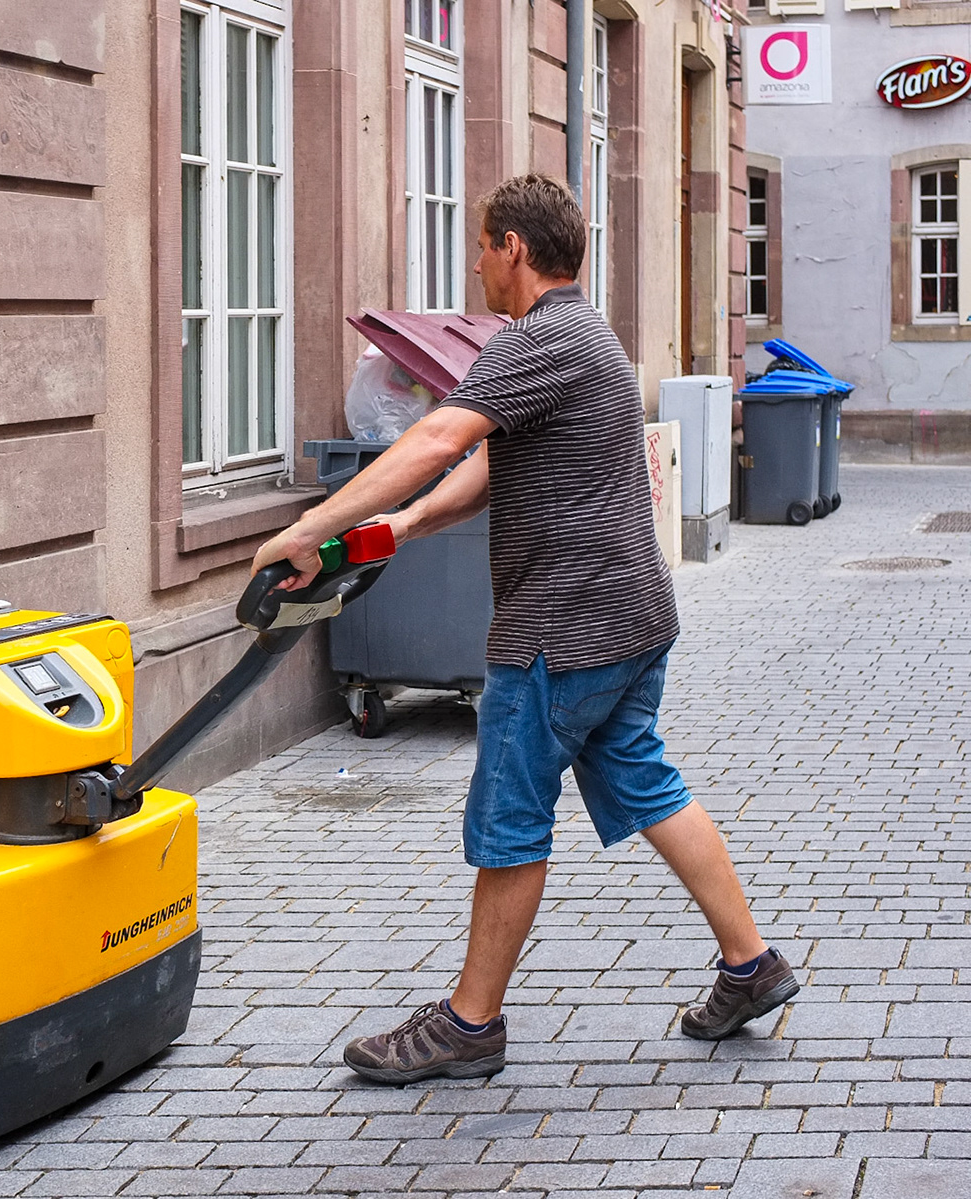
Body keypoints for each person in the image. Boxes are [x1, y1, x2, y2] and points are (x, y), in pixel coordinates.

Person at [251, 174, 798, 1085]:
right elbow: (488, 463)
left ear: (514, 247)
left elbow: (437, 441)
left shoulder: (538, 338)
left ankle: (469, 1024)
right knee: (645, 780)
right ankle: (751, 965)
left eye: (481, 245)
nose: (475, 264)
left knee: (509, 814)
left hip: (560, 630)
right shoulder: (589, 336)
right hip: (629, 617)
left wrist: (308, 527)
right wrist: (395, 528)